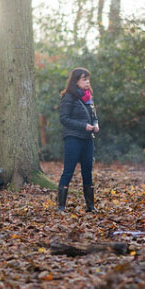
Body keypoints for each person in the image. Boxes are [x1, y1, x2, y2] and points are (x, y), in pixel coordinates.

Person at [57, 68, 99, 212]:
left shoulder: (89, 96)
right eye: (84, 79)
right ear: (76, 81)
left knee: (88, 172)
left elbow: (93, 115)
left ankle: (90, 206)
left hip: (88, 139)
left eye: (88, 79)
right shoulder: (69, 96)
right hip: (73, 138)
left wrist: (95, 124)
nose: (87, 82)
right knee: (68, 171)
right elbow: (64, 119)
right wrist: (83, 126)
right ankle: (61, 206)